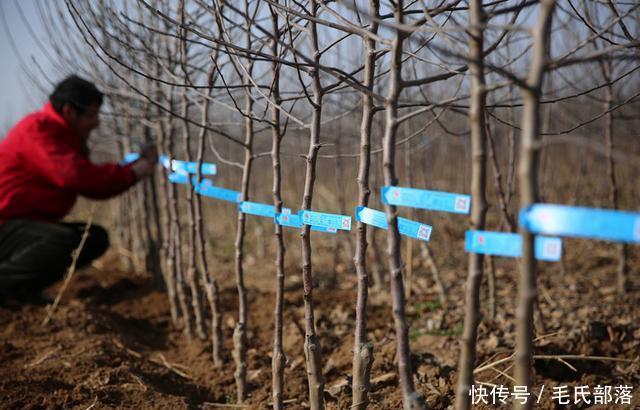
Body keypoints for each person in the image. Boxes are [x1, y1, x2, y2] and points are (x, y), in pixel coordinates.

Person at [0, 75, 157, 305]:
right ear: (69, 111)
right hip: (6, 224)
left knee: (91, 238)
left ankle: (19, 290)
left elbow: (85, 172)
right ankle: (6, 287)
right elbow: (78, 177)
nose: (96, 123)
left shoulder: (61, 134)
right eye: (92, 115)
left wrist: (131, 168)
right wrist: (134, 173)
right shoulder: (39, 131)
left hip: (22, 223)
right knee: (67, 241)